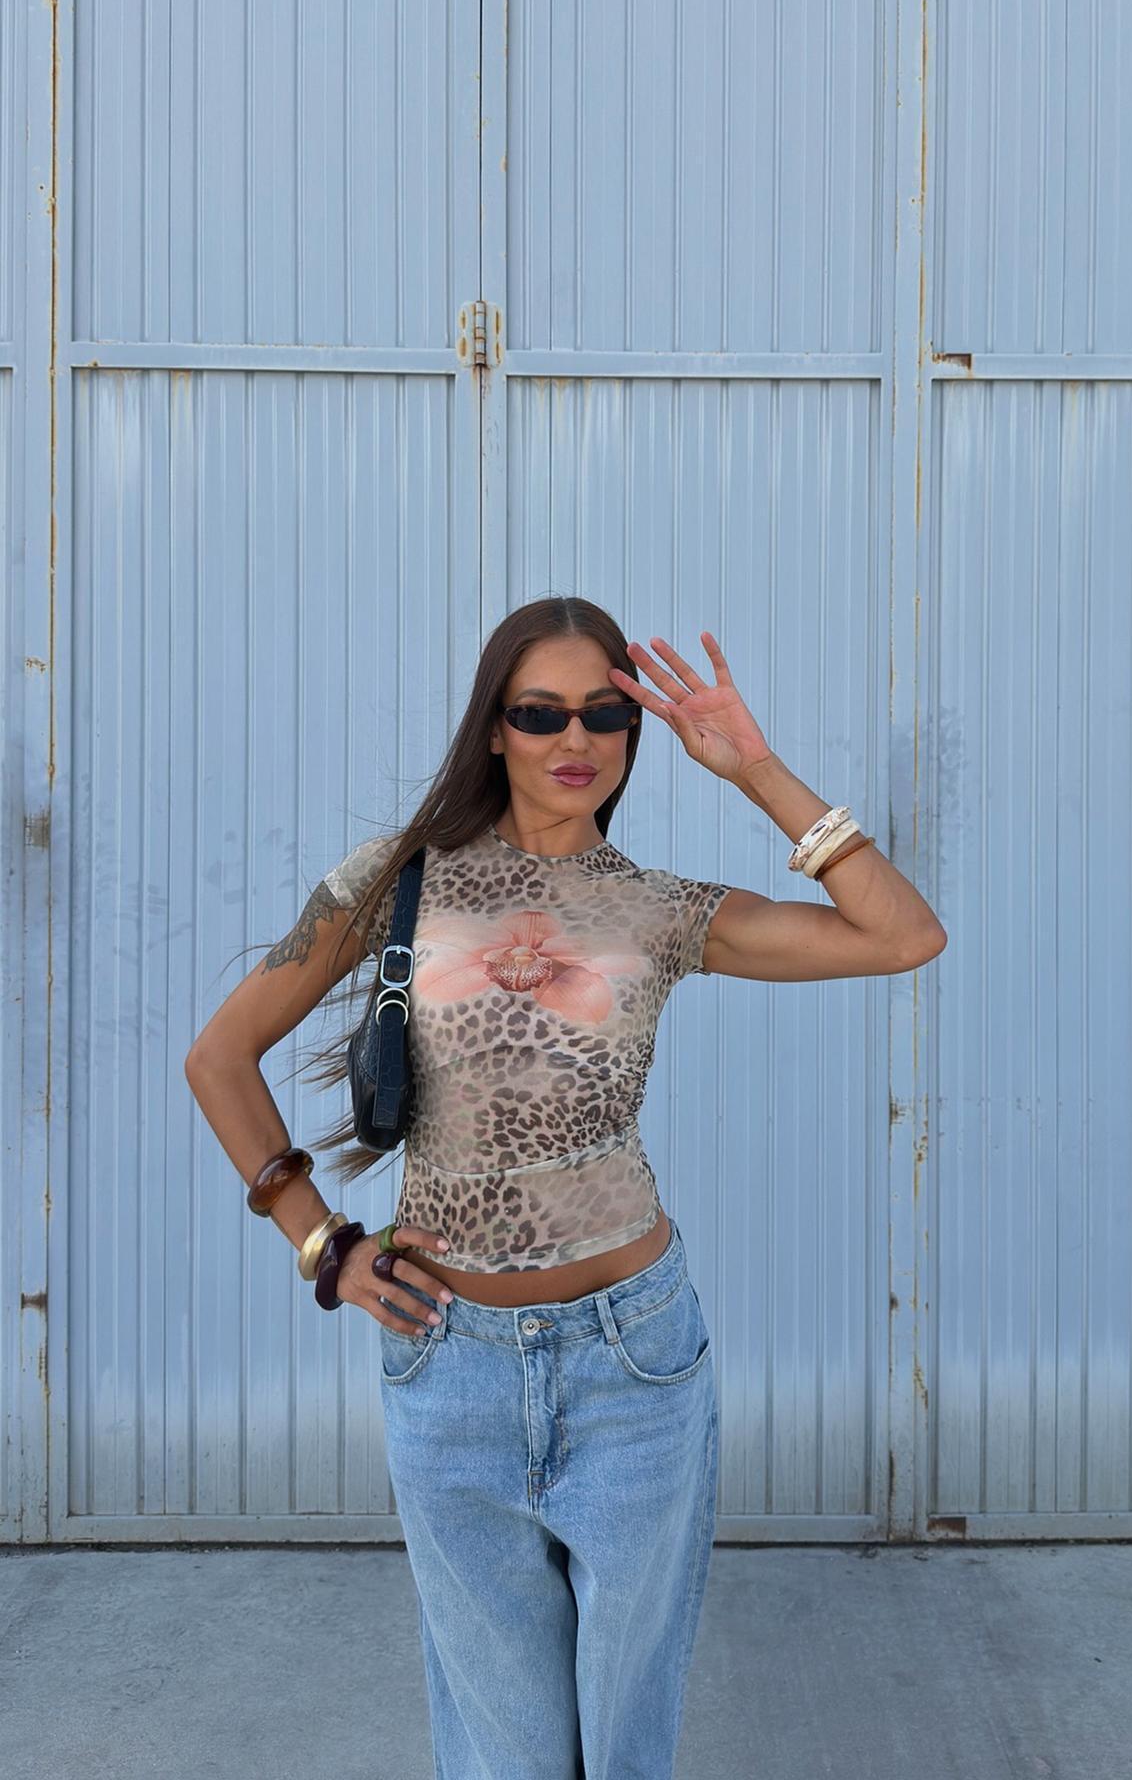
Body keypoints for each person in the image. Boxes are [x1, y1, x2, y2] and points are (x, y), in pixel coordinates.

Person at [185, 595, 946, 1779]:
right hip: (450, 1360)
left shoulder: (657, 910)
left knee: (626, 1740)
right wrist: (322, 1244)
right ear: (495, 729)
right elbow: (220, 1056)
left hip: (633, 1362)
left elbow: (902, 936)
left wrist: (755, 768)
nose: (575, 738)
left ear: (635, 733)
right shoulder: (396, 884)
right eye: (541, 713)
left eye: (605, 713)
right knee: (507, 1748)